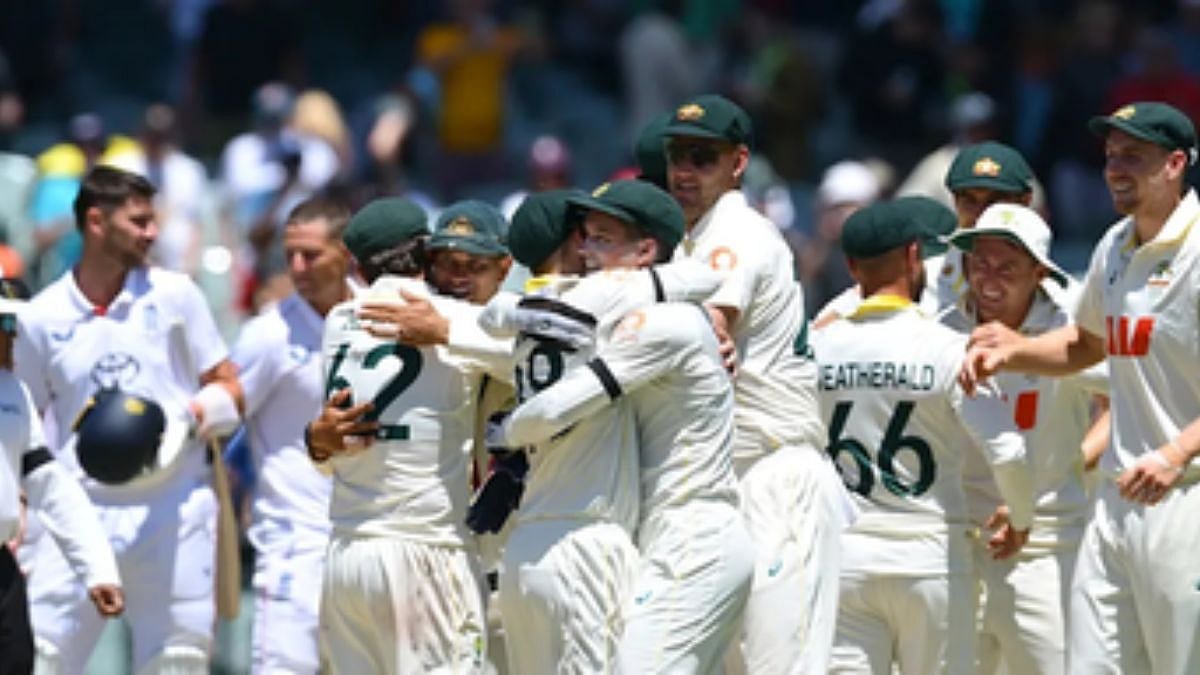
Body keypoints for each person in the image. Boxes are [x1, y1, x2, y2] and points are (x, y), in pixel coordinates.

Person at [962, 101, 1200, 674]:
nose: (1115, 169)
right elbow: (1087, 343)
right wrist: (1014, 351)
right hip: (1115, 502)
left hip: (1187, 497)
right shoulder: (1114, 245)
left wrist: (1176, 453)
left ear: (1174, 165)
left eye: (1133, 157)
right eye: (1111, 156)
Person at [490, 179, 754, 672]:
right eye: (585, 237)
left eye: (601, 239)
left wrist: (502, 433)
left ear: (645, 251)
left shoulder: (663, 324)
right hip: (655, 531)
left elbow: (554, 407)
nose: (585, 251)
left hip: (693, 530)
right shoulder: (623, 316)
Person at [14, 165, 244, 672]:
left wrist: (192, 416)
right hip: (79, 510)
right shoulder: (42, 316)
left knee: (178, 659)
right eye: (139, 221)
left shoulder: (176, 295)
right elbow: (22, 422)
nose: (152, 232)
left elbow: (231, 387)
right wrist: (18, 508)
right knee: (43, 658)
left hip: (172, 505)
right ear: (96, 222)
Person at [664, 93, 849, 674]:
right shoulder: (691, 238)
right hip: (728, 476)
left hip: (775, 474)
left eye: (702, 157)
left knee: (779, 664)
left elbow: (710, 327)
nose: (684, 171)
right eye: (677, 155)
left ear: (738, 162)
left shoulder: (735, 230)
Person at [810, 199, 1035, 674]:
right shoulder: (947, 348)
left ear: (851, 266)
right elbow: (1008, 450)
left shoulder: (816, 348)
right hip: (931, 559)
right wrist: (1020, 517)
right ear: (915, 256)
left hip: (845, 559)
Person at [308, 197, 513, 674]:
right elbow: (542, 363)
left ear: (357, 267)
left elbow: (332, 450)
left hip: (346, 554)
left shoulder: (337, 321)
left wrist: (315, 442)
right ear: (425, 254)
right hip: (426, 551)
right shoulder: (449, 316)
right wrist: (447, 332)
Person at [942, 203, 1109, 674]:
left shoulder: (1072, 330)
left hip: (1048, 547)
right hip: (960, 545)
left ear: (1039, 273)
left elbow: (1127, 400)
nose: (989, 280)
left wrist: (1073, 460)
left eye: (1007, 268)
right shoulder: (944, 328)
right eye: (980, 263)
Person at [230, 197, 354, 673]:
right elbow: (219, 416)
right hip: (294, 544)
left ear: (345, 251)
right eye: (290, 255)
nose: (297, 268)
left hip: (371, 543)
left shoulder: (383, 319)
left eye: (311, 254)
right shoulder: (267, 335)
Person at [0, 277, 123, 672]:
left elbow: (50, 485)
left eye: (12, 325)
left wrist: (98, 569)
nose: (12, 337)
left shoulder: (13, 393)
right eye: (3, 324)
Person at [814, 142, 1034, 325]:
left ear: (1026, 201)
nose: (982, 213)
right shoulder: (928, 272)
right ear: (954, 202)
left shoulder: (1046, 283)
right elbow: (832, 320)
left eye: (996, 201)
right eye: (969, 201)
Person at [426, 199, 513, 305]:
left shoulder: (519, 312)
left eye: (475, 267)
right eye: (448, 264)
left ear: (504, 269)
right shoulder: (417, 307)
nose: (457, 279)